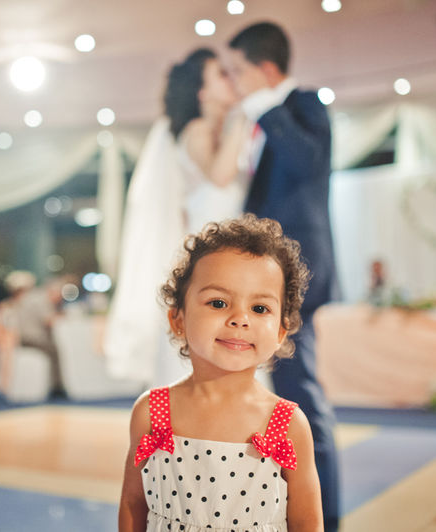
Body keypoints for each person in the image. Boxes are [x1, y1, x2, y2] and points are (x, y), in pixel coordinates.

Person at [119, 215, 323, 532]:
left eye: (259, 308)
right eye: (218, 303)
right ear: (178, 320)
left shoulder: (287, 424)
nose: (240, 318)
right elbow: (133, 503)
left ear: (280, 332)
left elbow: (307, 521)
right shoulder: (152, 411)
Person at [227, 22, 340, 530]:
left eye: (239, 71)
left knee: (301, 400)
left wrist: (265, 109)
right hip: (260, 279)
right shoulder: (254, 122)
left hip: (297, 273)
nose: (235, 81)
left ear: (265, 68)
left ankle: (324, 518)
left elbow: (308, 162)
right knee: (273, 399)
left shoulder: (303, 104)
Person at [105, 48, 251, 388]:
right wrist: (244, 118)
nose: (231, 80)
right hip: (209, 255)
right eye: (221, 75)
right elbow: (220, 177)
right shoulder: (197, 130)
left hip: (225, 252)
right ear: (202, 92)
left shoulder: (215, 132)